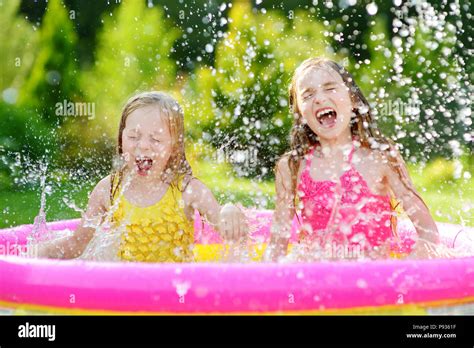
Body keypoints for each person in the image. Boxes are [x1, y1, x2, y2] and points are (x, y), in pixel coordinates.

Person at [265, 57, 445, 262]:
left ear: (352, 99)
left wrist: (400, 272)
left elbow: (428, 233)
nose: (319, 98)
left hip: (371, 283)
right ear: (299, 113)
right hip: (315, 282)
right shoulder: (292, 167)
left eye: (330, 88)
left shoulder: (380, 157)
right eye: (308, 95)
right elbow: (277, 247)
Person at [37, 91, 247, 262]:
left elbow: (227, 227)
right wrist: (37, 253)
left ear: (174, 147)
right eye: (133, 136)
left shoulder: (187, 190)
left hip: (175, 293)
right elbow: (77, 244)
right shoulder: (109, 189)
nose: (143, 145)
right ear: (121, 138)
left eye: (155, 139)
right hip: (128, 293)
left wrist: (229, 211)